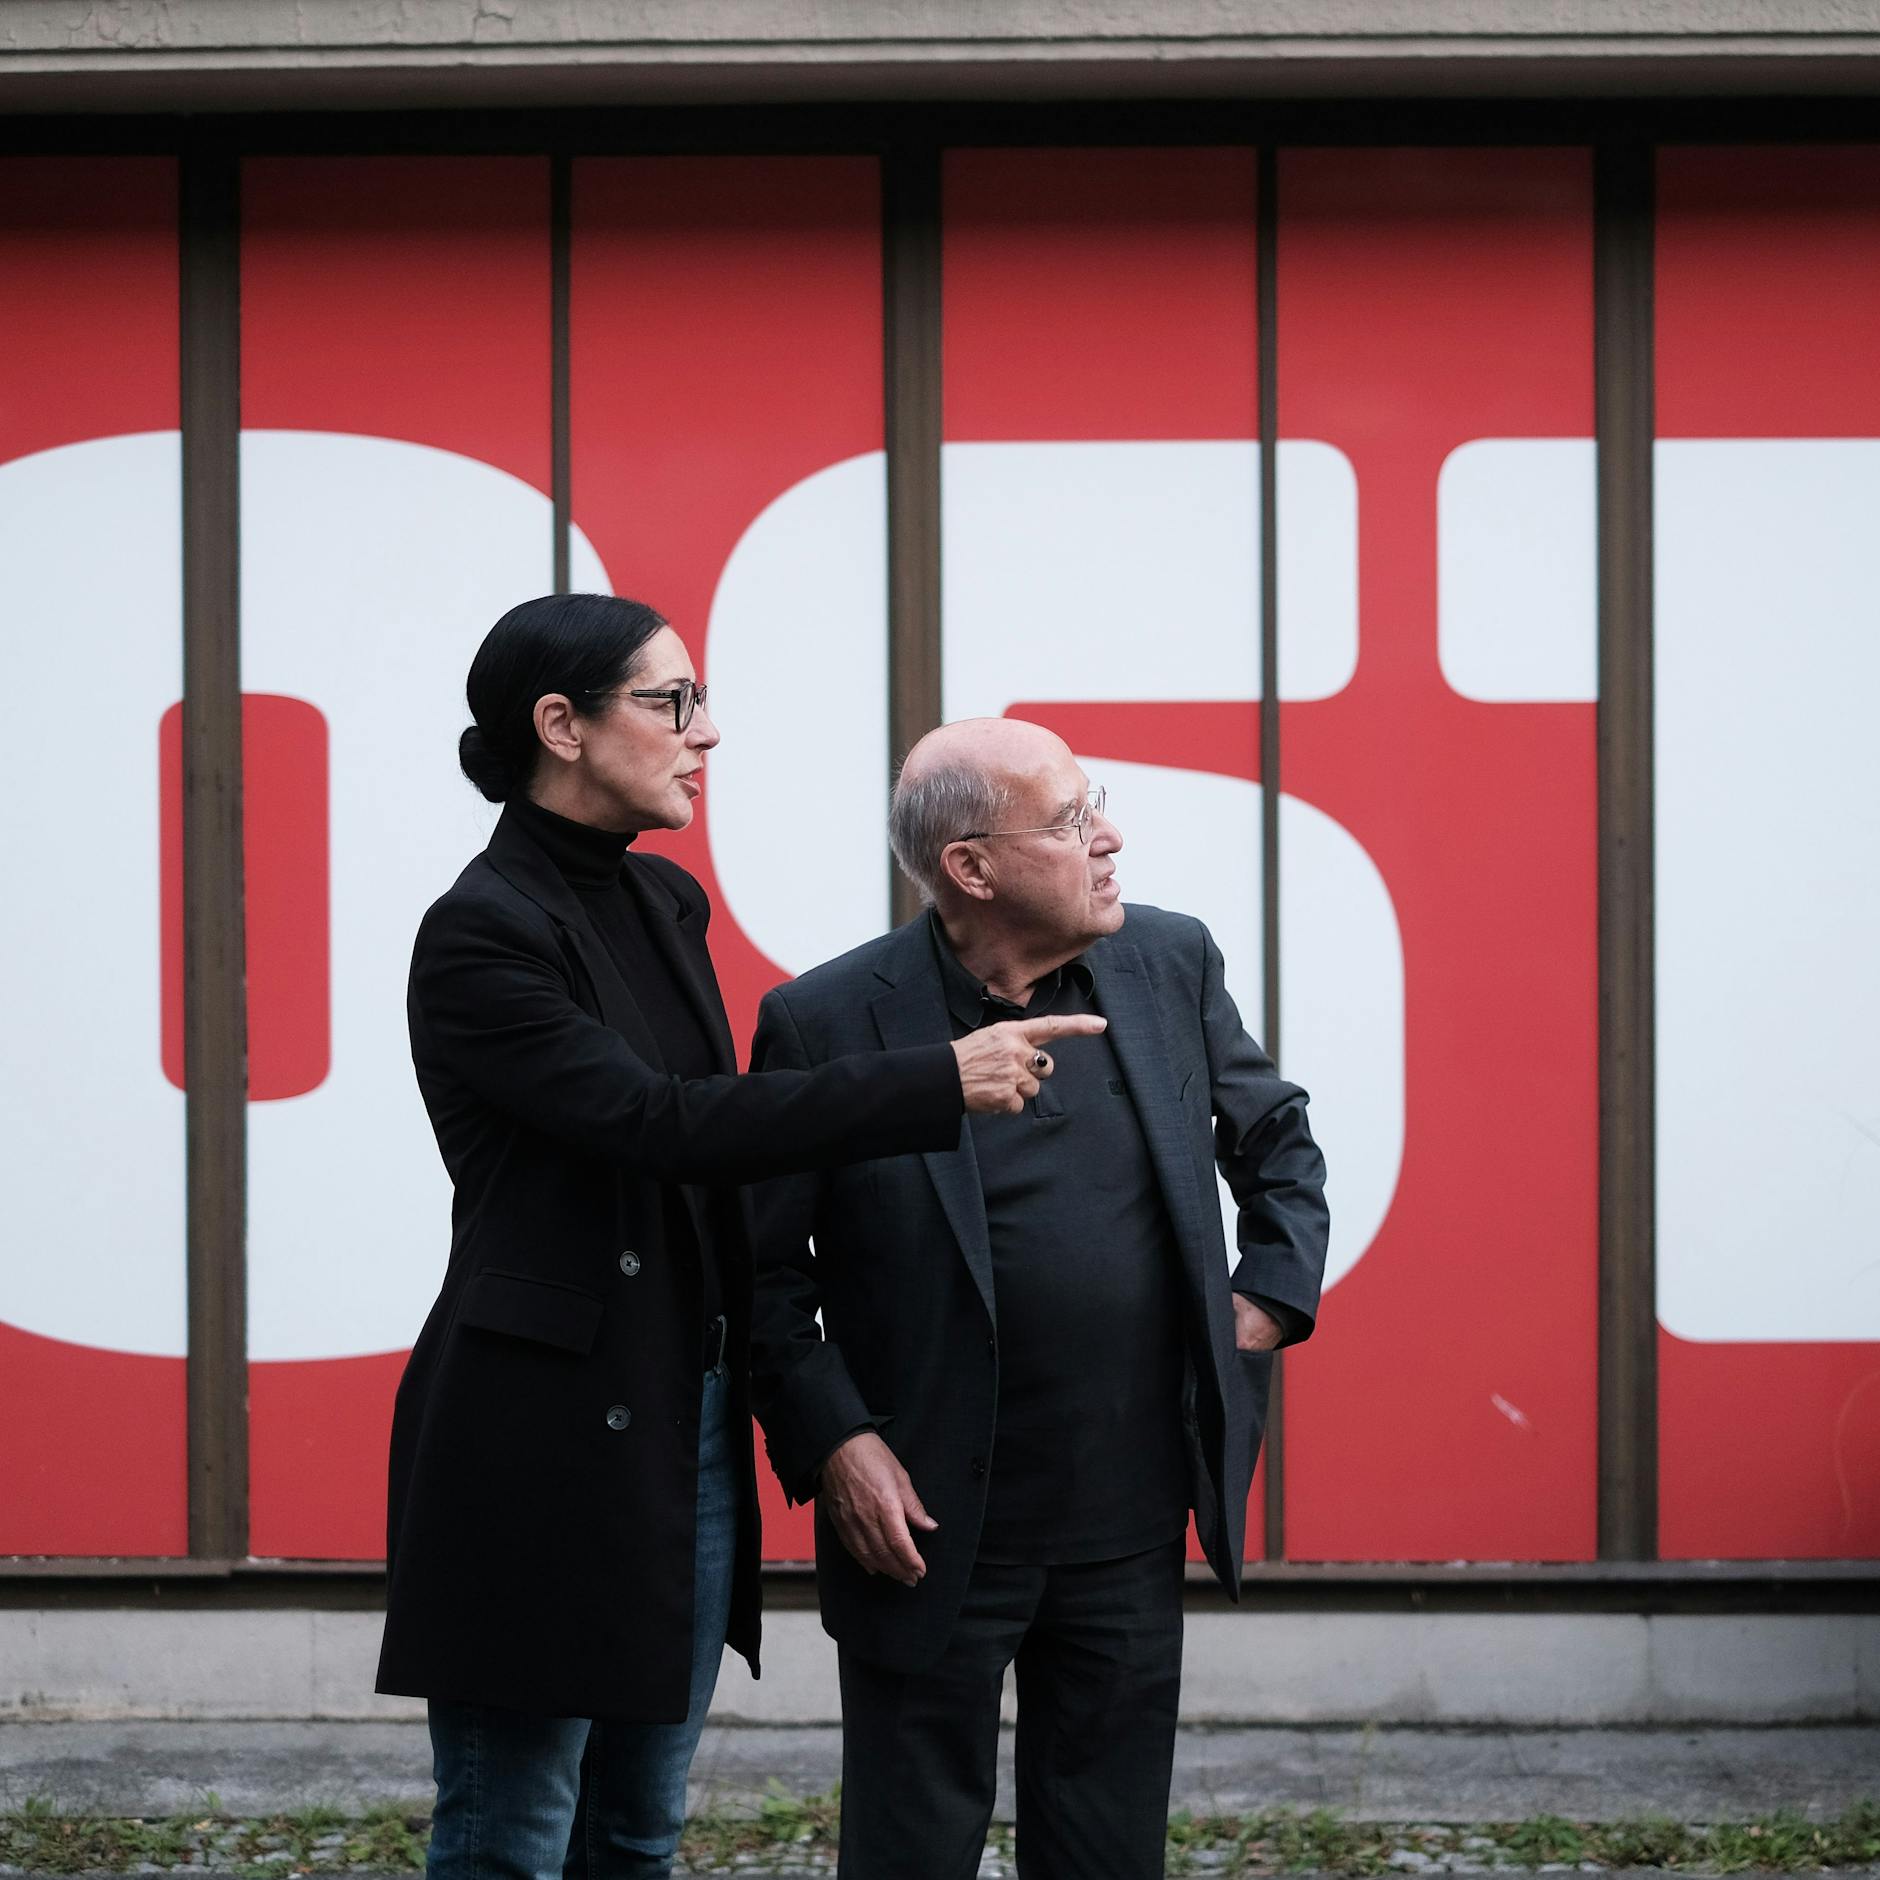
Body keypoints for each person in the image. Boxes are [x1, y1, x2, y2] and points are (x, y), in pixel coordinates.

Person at [374, 600, 1104, 1880]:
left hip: (679, 1421)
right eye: (667, 701)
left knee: (638, 1830)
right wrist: (930, 1078)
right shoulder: (482, 929)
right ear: (561, 726)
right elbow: (655, 1123)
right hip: (539, 1434)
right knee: (510, 1834)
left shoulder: (659, 900)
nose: (703, 731)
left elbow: (709, 1156)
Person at [748, 716, 1330, 1880]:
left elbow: (1276, 1141)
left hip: (1125, 1507)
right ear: (970, 867)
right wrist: (838, 1442)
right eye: (1068, 820)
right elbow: (757, 1273)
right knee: (909, 1849)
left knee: (1106, 1847)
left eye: (1092, 802)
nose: (1107, 835)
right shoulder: (824, 1019)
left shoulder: (1168, 961)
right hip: (922, 1525)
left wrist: (1260, 1301)